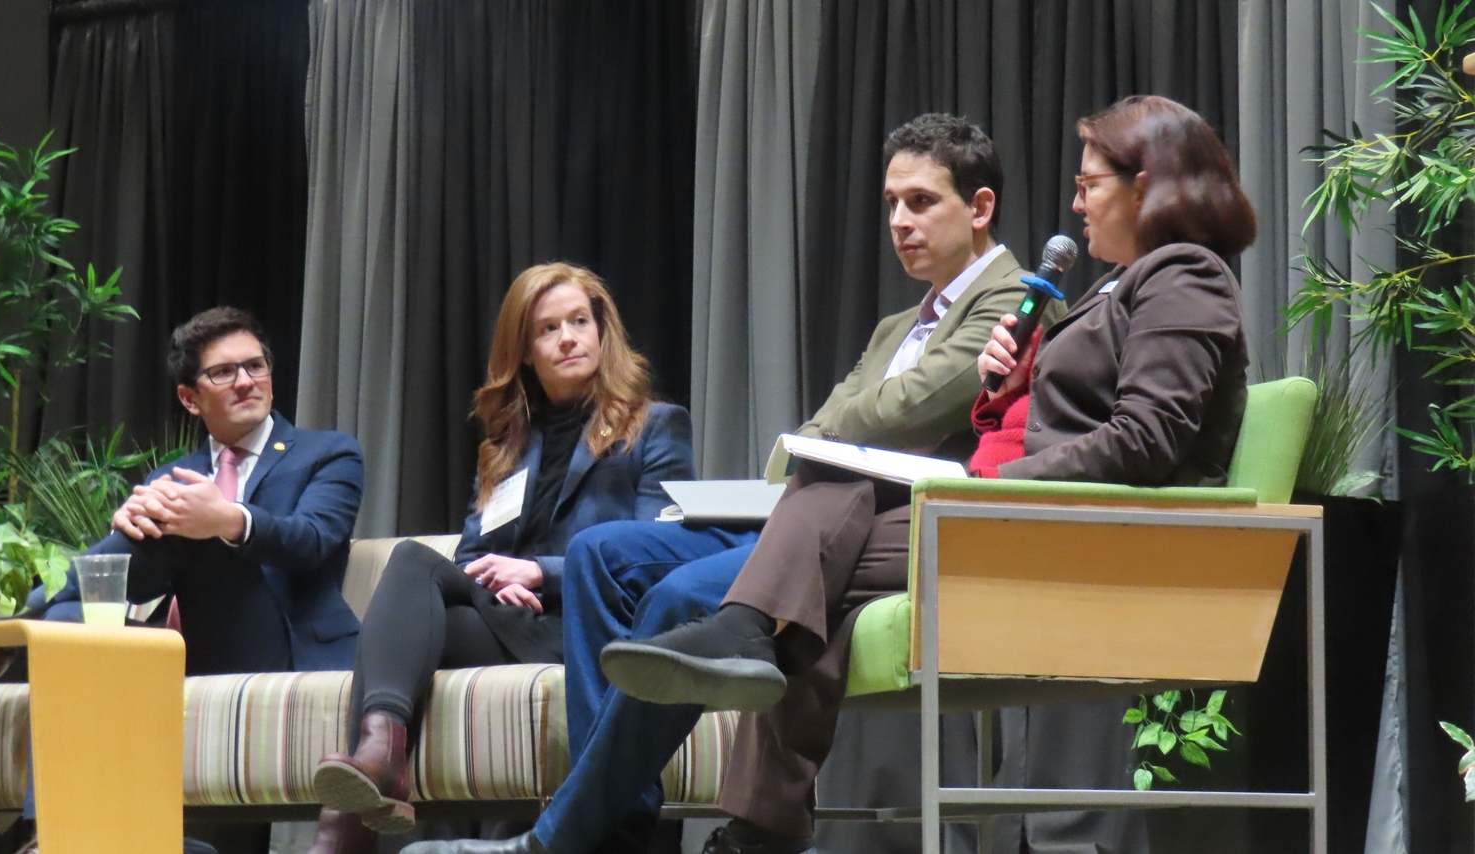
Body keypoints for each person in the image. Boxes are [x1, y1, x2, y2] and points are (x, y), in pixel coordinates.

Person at [602, 94, 1256, 852]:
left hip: (1088, 533)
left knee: (822, 532)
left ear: (1148, 187)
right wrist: (1008, 395)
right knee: (827, 544)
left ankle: (748, 722)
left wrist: (1003, 485)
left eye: (1090, 185)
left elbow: (1146, 437)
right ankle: (751, 781)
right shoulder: (1117, 285)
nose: (1074, 203)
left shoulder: (1184, 275)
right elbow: (1076, 415)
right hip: (1036, 514)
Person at [403, 115, 1041, 854]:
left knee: (675, 595)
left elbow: (901, 412)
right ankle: (622, 819)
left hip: (876, 530)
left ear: (981, 207)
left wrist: (836, 431)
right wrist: (838, 431)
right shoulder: (899, 324)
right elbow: (831, 425)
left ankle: (568, 838)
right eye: (891, 203)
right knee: (598, 555)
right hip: (809, 508)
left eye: (921, 202)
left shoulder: (1015, 303)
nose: (899, 221)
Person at [307, 262, 696, 854]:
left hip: (586, 626)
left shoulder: (654, 427)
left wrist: (543, 572)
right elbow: (470, 554)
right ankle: (375, 760)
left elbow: (660, 552)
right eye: (547, 329)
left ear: (601, 332)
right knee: (422, 596)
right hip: (509, 619)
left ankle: (348, 820)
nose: (568, 338)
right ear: (524, 352)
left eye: (579, 322)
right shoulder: (509, 445)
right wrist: (494, 581)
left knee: (411, 565)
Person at [17, 306, 365, 854]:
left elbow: (313, 541)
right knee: (68, 626)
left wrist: (223, 518)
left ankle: (21, 617)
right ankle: (53, 836)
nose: (247, 380)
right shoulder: (170, 475)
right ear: (189, 398)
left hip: (291, 644)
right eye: (224, 372)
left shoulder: (328, 452)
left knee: (187, 525)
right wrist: (128, 523)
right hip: (202, 650)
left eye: (256, 366)